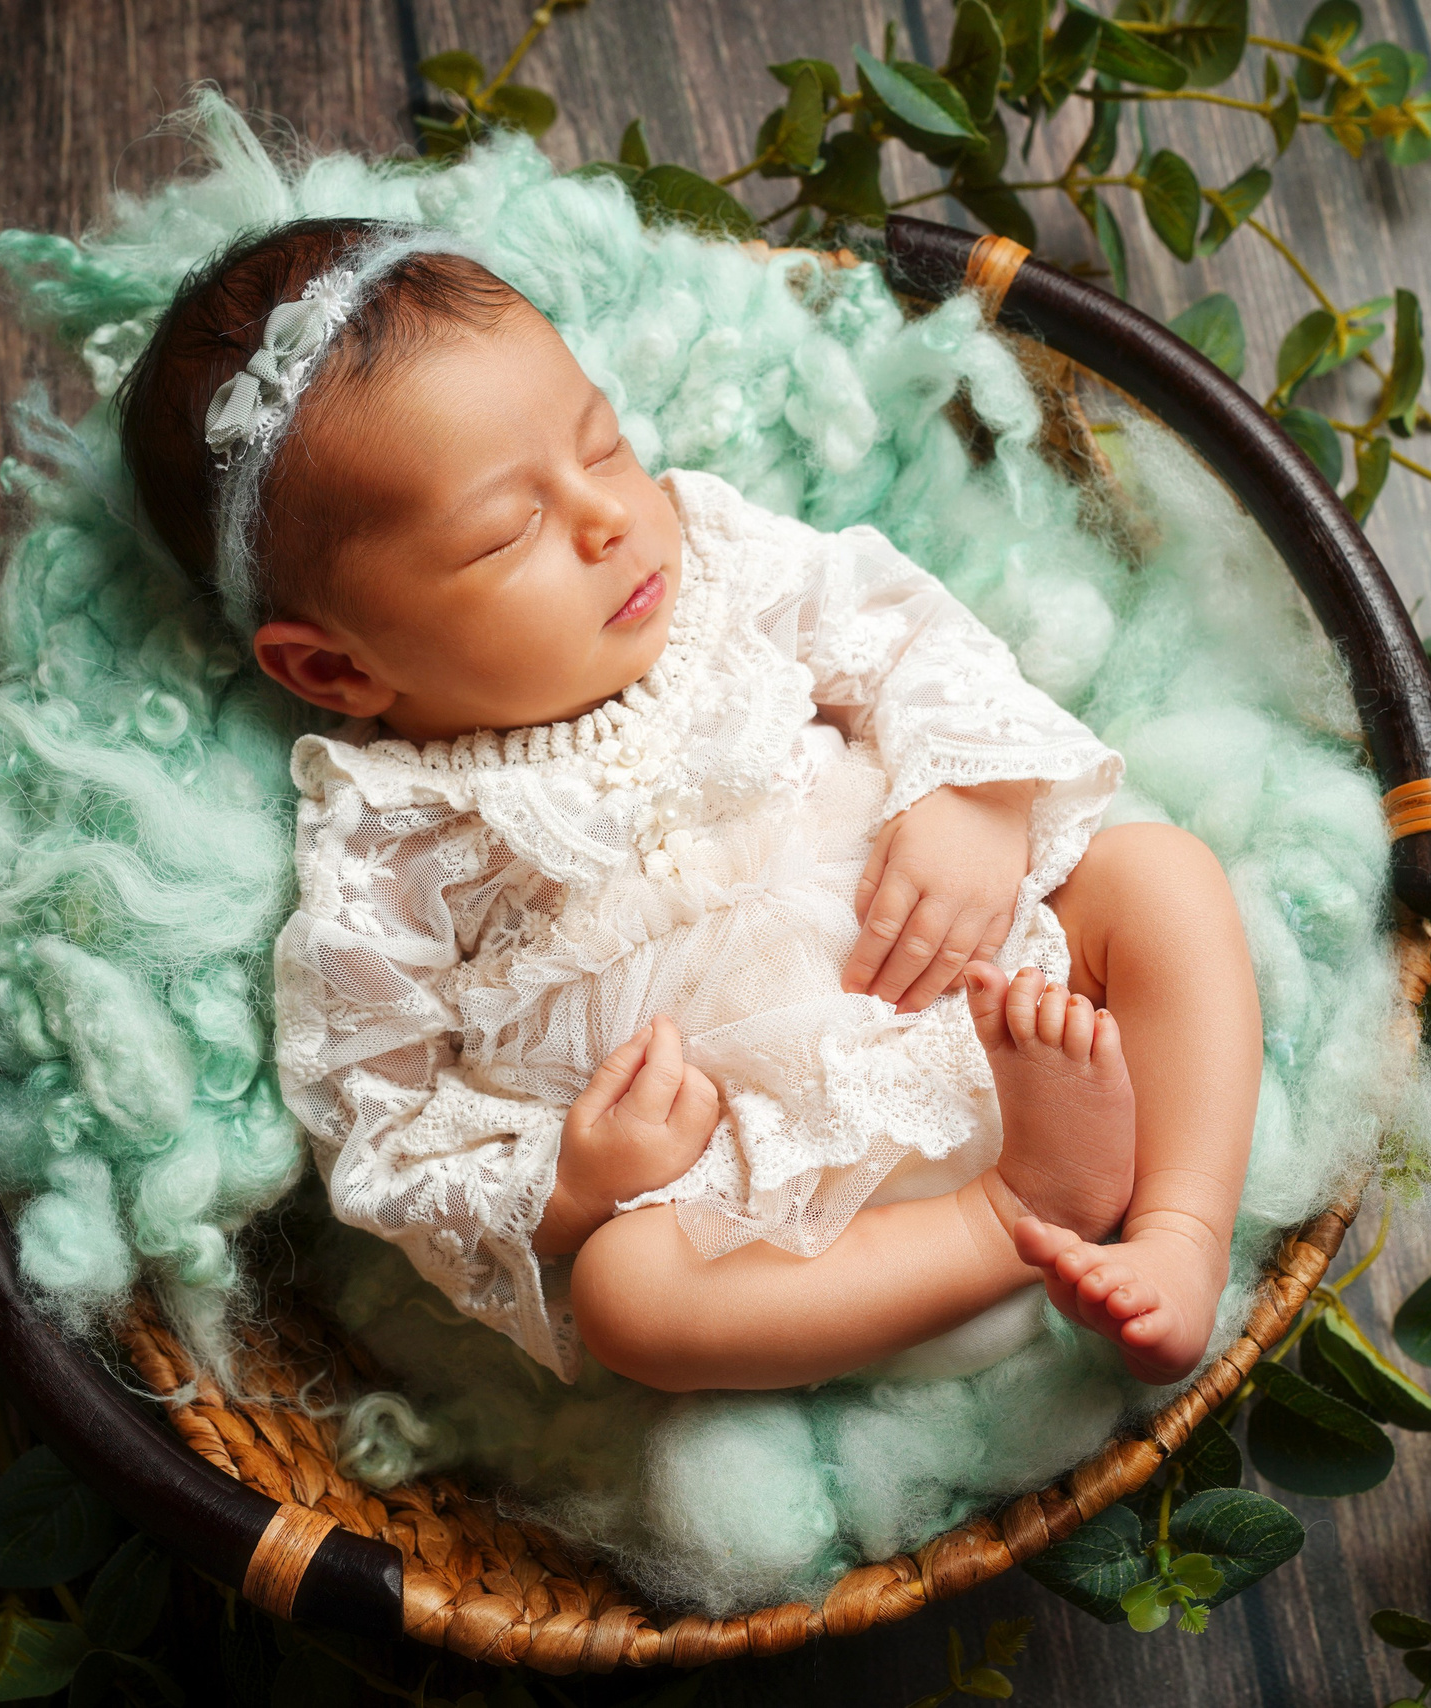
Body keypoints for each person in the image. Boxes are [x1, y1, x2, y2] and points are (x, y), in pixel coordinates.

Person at [114, 218, 1263, 1394]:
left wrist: (971, 793)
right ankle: (1008, 1213)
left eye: (601, 446)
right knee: (629, 1296)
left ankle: (1178, 1232)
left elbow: (907, 633)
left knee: (1156, 877)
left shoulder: (720, 563)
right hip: (777, 1208)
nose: (608, 515)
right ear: (335, 670)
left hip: (999, 1000)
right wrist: (569, 1183)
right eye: (511, 530)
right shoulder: (385, 838)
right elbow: (385, 1128)